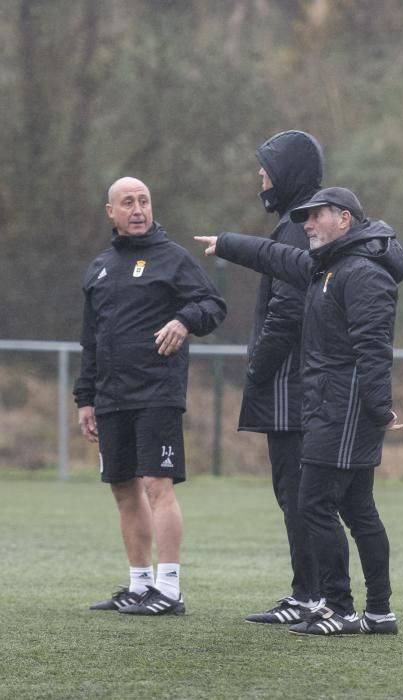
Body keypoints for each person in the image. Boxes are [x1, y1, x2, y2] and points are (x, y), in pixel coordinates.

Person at [195, 186, 403, 636]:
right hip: (331, 407)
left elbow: (374, 348)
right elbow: (275, 257)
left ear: (344, 219)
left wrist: (378, 408)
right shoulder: (325, 266)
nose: (306, 224)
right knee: (357, 507)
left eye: (315, 216)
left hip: (346, 409)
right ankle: (380, 613)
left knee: (313, 502)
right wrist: (228, 243)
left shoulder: (363, 273)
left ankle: (341, 610)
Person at [74, 176, 226, 616]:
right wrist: (86, 398)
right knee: (123, 490)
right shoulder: (99, 267)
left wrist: (183, 320)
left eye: (144, 201)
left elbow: (214, 306)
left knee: (157, 485)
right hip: (110, 396)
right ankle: (139, 585)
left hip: (157, 392)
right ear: (111, 212)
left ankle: (170, 589)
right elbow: (91, 340)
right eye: (127, 202)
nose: (138, 209)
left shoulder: (173, 259)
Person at [229, 130, 323, 624]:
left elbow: (285, 315)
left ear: (286, 172)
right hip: (297, 386)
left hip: (291, 388)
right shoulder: (296, 223)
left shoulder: (292, 227)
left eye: (266, 168)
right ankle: (308, 593)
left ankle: (314, 597)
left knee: (298, 496)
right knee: (299, 496)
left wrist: (256, 369)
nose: (260, 177)